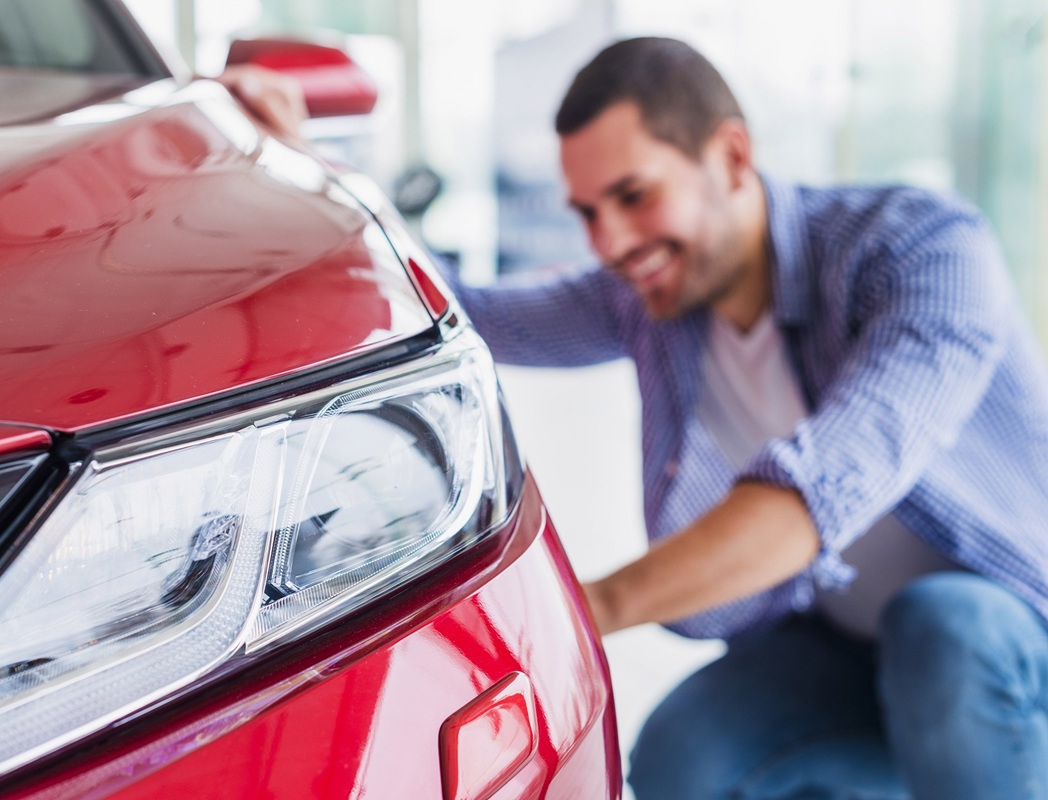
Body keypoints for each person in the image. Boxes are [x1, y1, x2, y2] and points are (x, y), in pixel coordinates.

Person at [437, 38, 1048, 799]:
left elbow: (820, 492)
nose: (611, 243)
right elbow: (471, 312)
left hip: (1019, 637)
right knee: (679, 758)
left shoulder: (922, 249)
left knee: (944, 630)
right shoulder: (651, 303)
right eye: (588, 214)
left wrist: (573, 614)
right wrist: (321, 180)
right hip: (851, 639)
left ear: (731, 156)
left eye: (634, 197)